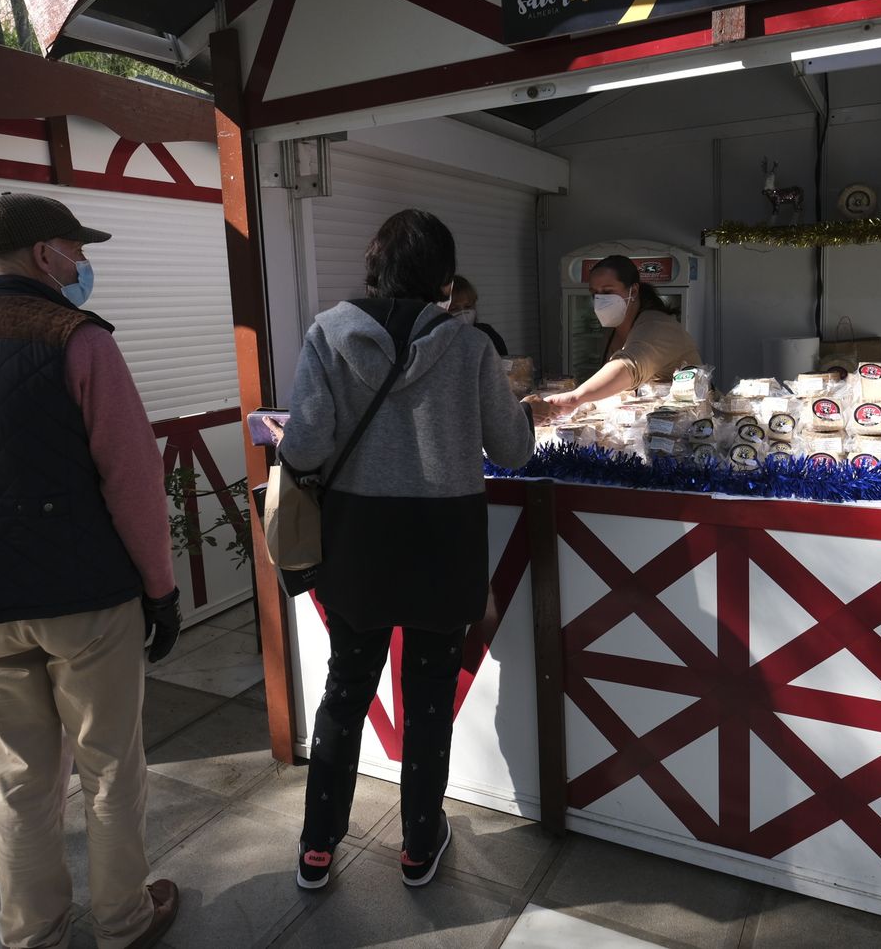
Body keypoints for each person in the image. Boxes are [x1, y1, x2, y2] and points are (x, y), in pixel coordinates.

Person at [0, 192, 182, 949]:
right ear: (44, 254)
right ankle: (123, 921)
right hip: (83, 598)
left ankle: (33, 934)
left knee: (20, 778)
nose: (82, 263)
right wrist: (160, 590)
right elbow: (133, 479)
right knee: (111, 770)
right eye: (76, 250)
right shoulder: (79, 341)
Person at [278, 208, 534, 891]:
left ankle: (317, 846)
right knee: (427, 698)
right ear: (444, 280)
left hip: (358, 543)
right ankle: (419, 844)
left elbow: (305, 445)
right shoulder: (468, 347)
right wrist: (523, 413)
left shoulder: (328, 335)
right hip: (443, 545)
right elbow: (512, 449)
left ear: (375, 269)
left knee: (344, 691)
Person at [530, 253, 702, 417]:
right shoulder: (613, 329)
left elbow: (628, 367)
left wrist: (577, 397)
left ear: (634, 291)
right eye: (594, 293)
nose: (599, 300)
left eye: (607, 292)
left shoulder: (658, 326)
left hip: (685, 420)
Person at [444, 274, 508, 356]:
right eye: (454, 309)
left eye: (468, 306)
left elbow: (504, 361)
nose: (463, 314)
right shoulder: (436, 344)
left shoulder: (488, 335)